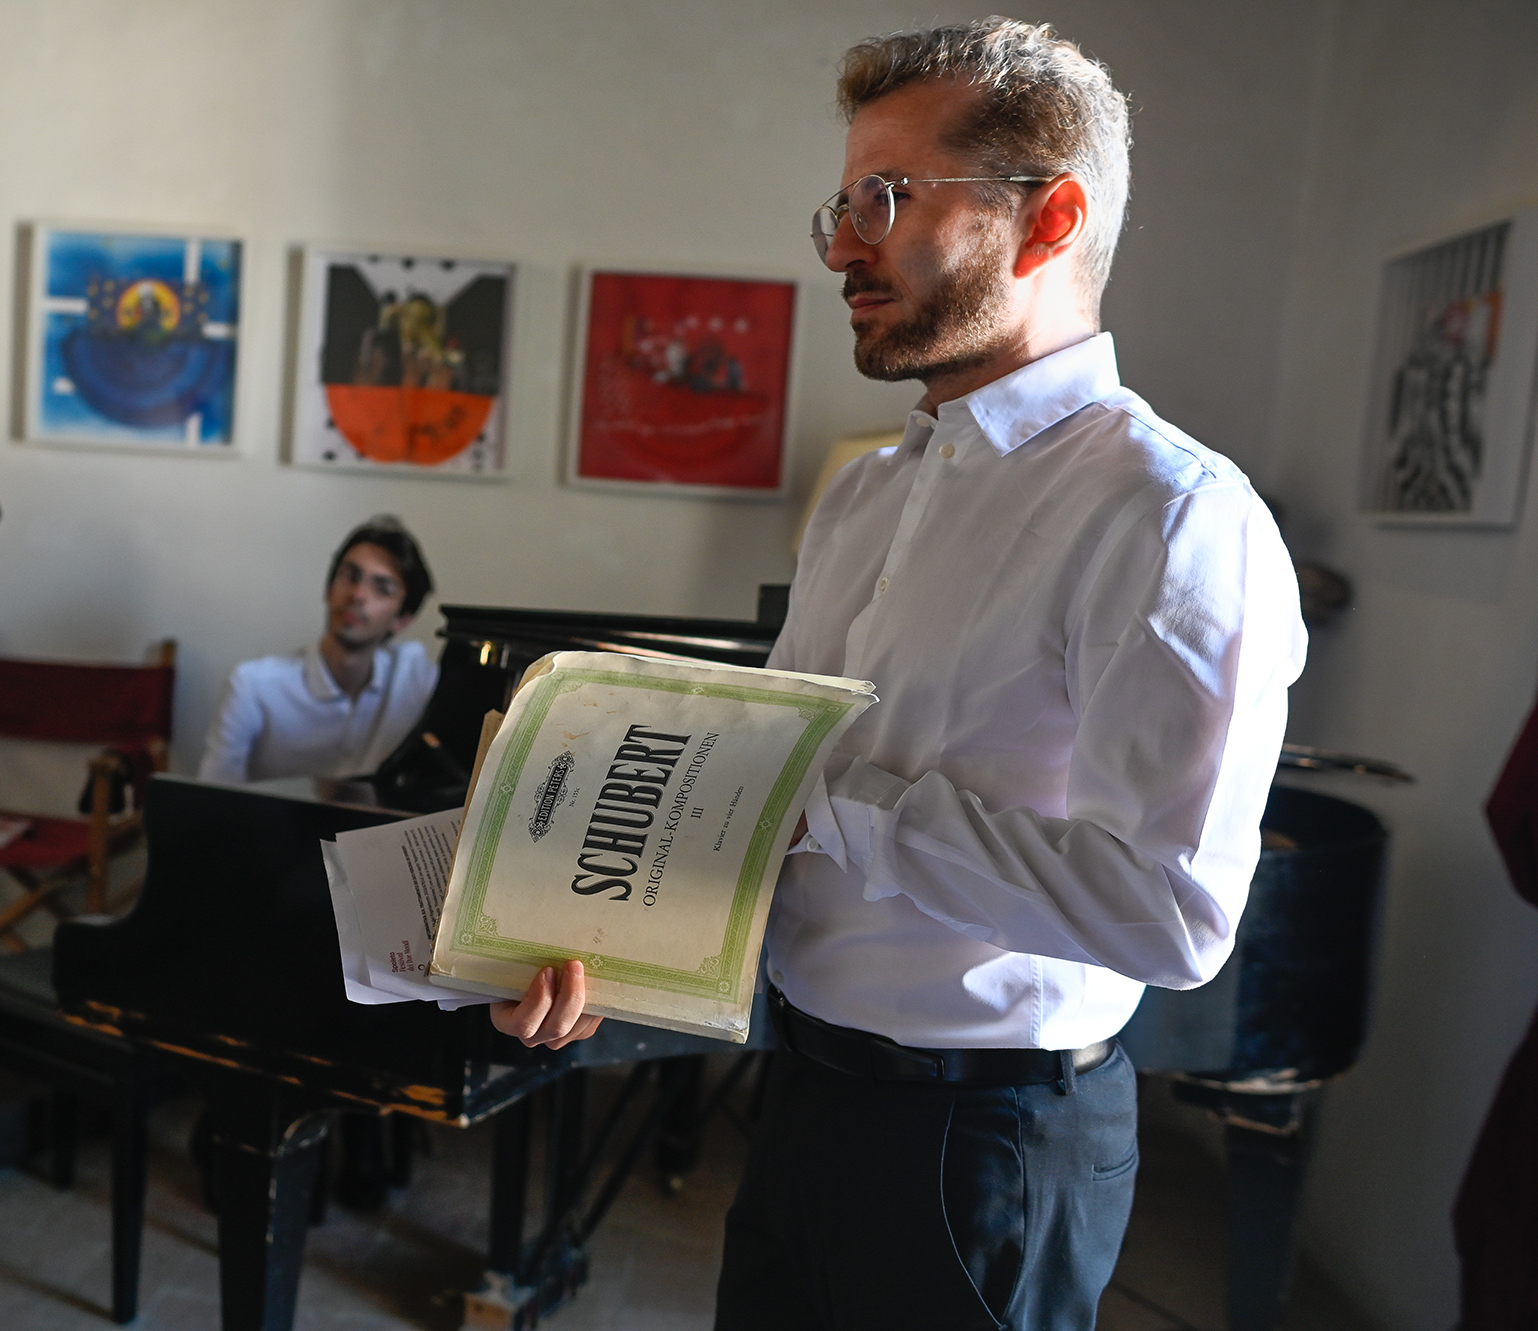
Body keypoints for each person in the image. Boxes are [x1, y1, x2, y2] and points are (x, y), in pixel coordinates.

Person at [492, 19, 1307, 1329]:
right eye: (840, 206)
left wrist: (832, 801)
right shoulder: (868, 492)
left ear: (1050, 221)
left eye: (887, 200)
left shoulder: (1171, 516)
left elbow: (1171, 914)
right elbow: (755, 789)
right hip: (805, 1091)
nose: (842, 247)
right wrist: (595, 952)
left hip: (985, 1139)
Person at [197, 516, 438, 784]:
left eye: (382, 588)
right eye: (350, 576)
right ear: (329, 589)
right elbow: (213, 798)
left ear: (402, 619)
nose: (358, 594)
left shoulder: (414, 679)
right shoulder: (252, 686)